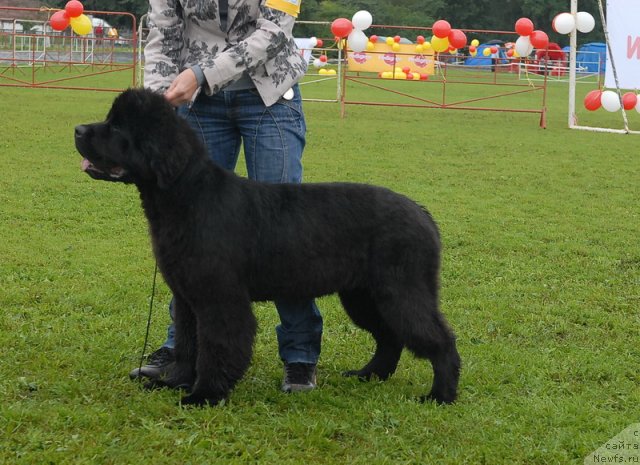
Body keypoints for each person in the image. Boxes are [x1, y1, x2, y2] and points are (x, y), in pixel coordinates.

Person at [129, 0, 323, 393]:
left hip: (269, 94)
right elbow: (163, 35)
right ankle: (183, 349)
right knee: (190, 235)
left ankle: (299, 354)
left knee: (288, 235)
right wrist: (155, 105)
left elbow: (272, 32)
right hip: (197, 102)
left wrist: (201, 73)